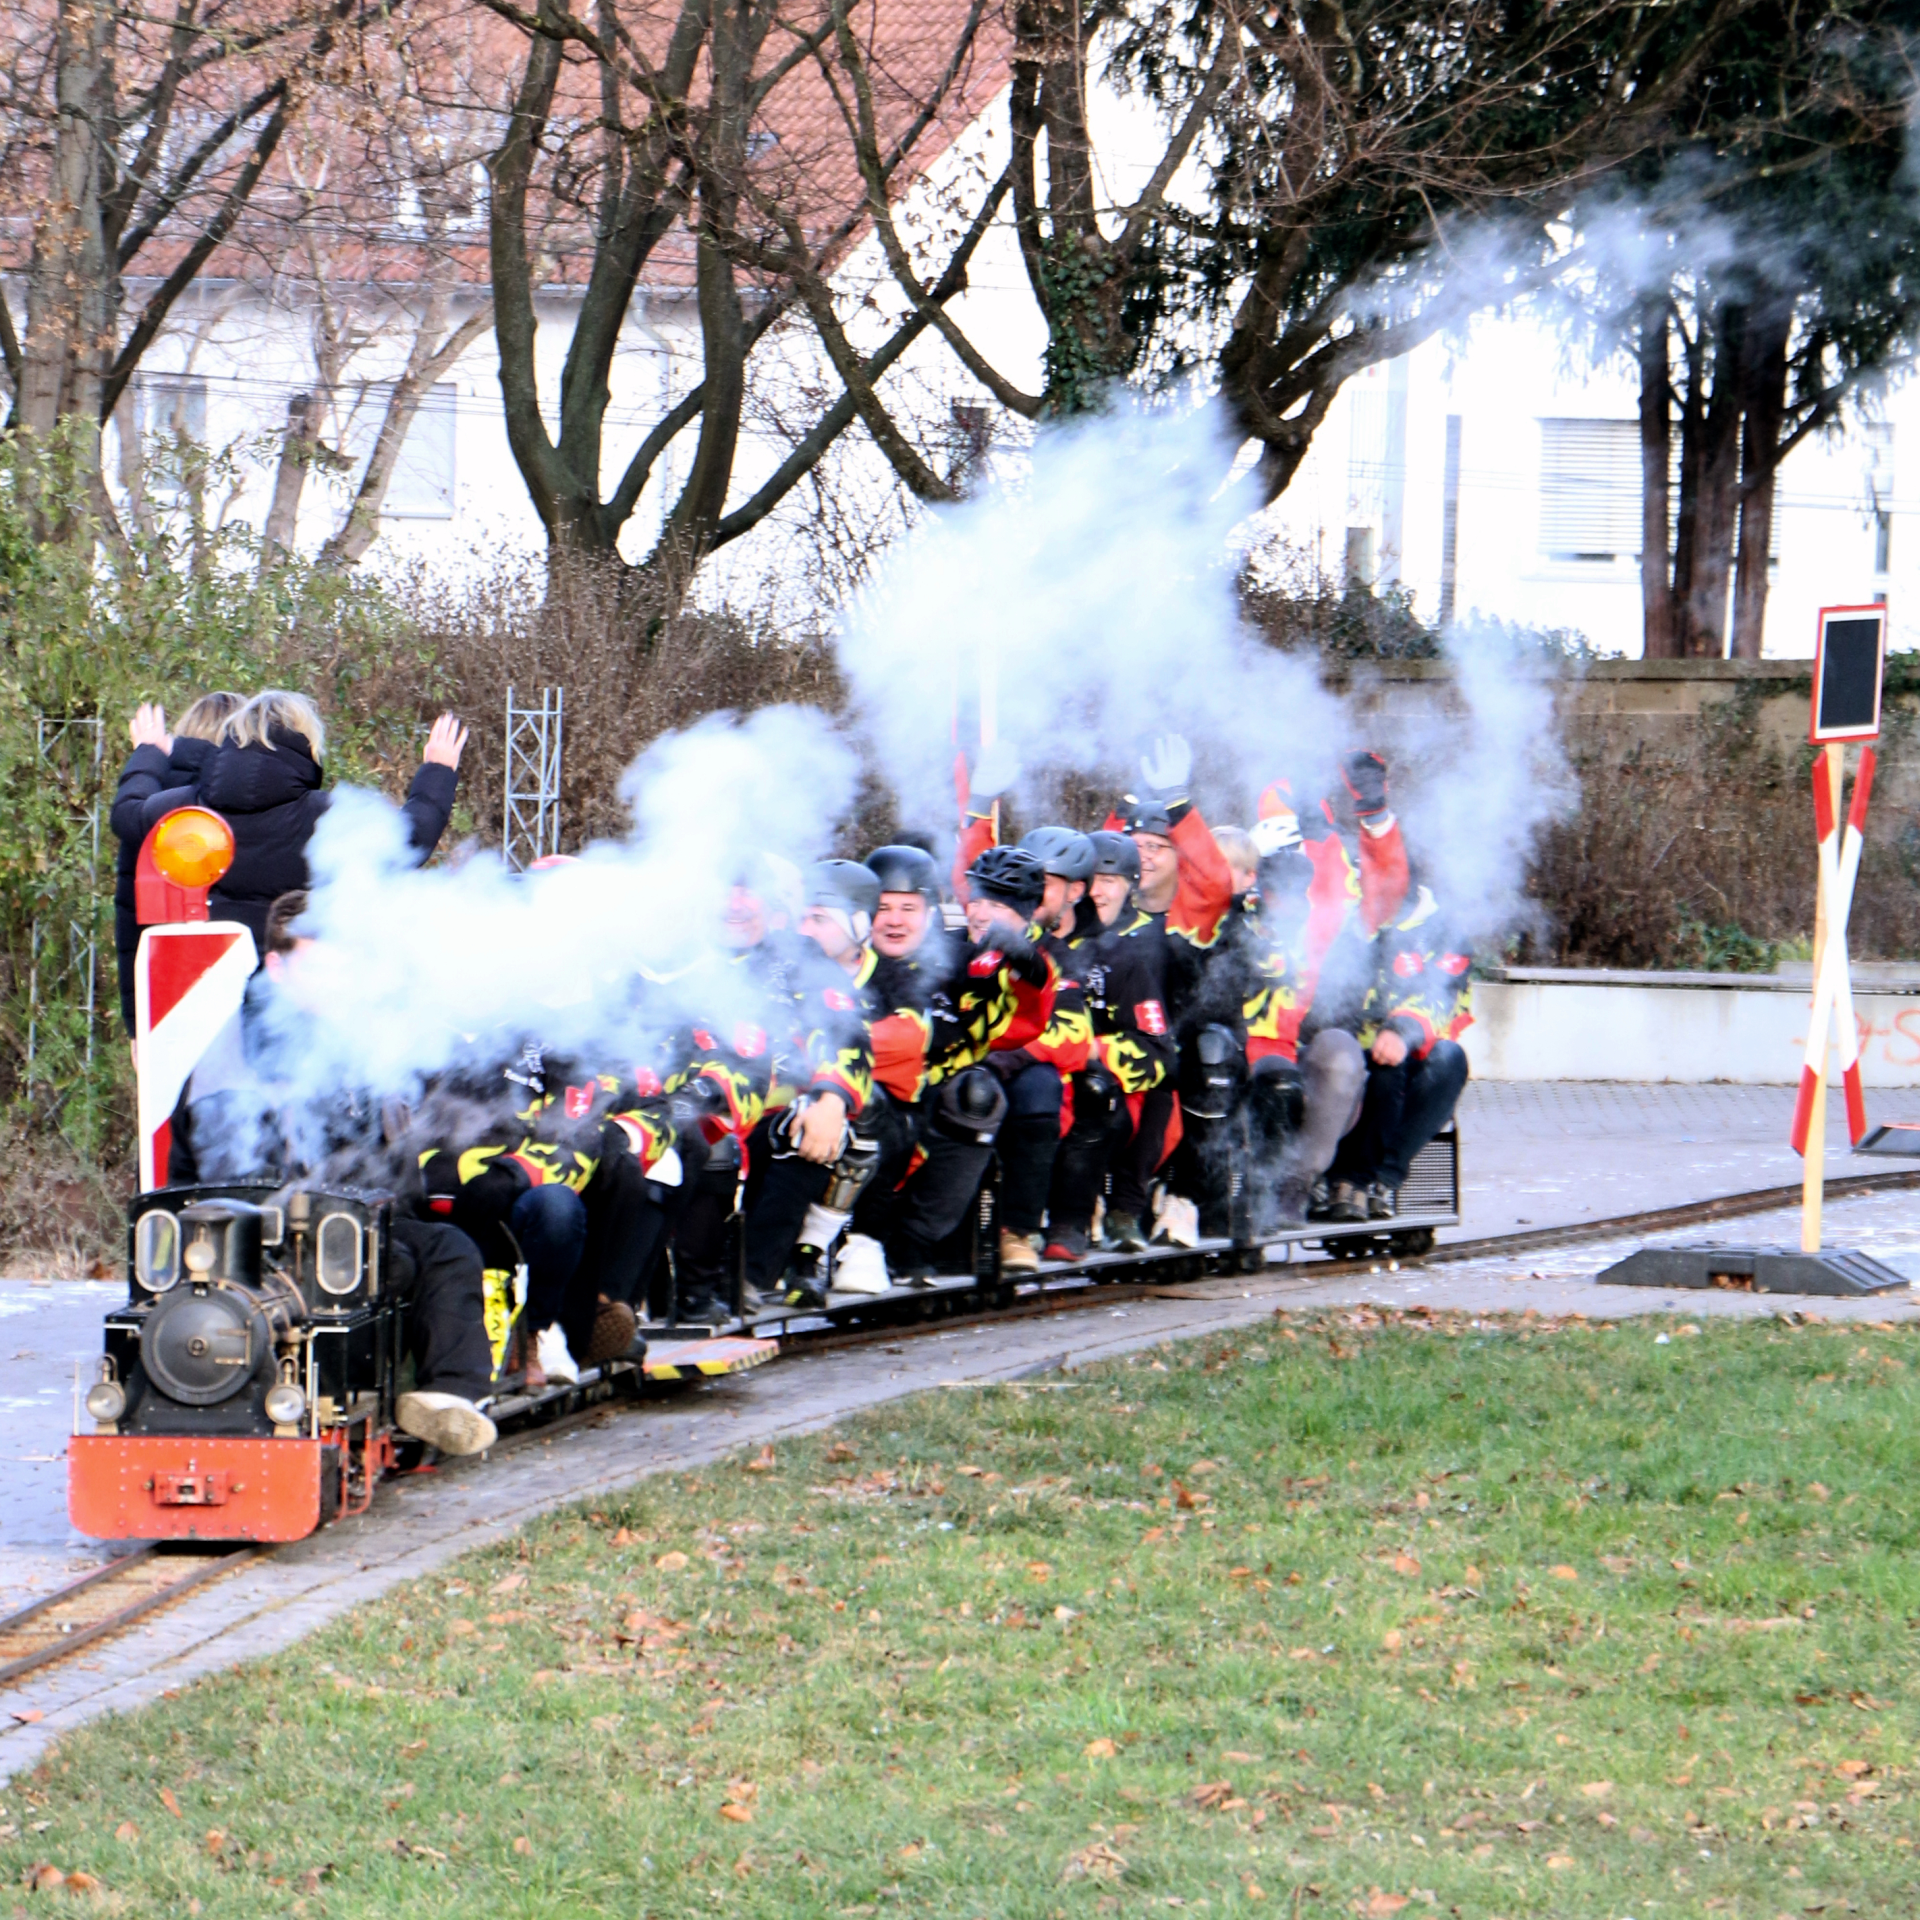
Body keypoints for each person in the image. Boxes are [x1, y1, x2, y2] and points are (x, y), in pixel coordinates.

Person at [163, 892, 499, 1457]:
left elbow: (384, 1138)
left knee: (448, 1248)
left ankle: (448, 1400)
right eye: (321, 969)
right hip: (260, 1240)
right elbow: (238, 1188)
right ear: (276, 967)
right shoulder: (242, 1055)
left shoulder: (344, 1036)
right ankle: (349, 1401)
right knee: (395, 1263)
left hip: (345, 1217)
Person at [162, 690, 466, 949]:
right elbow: (408, 842)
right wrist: (437, 771)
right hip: (295, 988)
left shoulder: (191, 813)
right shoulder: (325, 816)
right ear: (306, 741)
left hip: (212, 978)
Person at [1044, 830, 1178, 1258]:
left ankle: (1124, 1209)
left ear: (1130, 886)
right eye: (1091, 880)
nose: (1099, 892)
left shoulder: (1123, 954)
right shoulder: (1033, 942)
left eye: (1111, 880)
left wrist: (1092, 1051)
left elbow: (1158, 1046)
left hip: (1102, 1082)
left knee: (1137, 1090)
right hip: (1036, 1072)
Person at [1325, 879, 1473, 1219]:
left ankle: (1382, 1179)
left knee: (1451, 1060)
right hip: (1358, 1051)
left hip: (1417, 1051)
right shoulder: (1352, 922)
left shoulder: (1445, 930)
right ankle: (1348, 1180)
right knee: (1382, 1071)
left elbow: (1440, 1000)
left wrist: (1401, 1032)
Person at [110, 692, 242, 1037]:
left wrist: (137, 1027)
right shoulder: (250, 800)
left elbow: (130, 927)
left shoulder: (147, 809)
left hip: (166, 997)